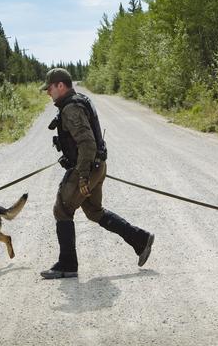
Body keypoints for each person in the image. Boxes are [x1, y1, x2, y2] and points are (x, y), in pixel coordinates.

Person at [39, 68, 154, 279]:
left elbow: (87, 143)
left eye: (50, 88)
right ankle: (140, 239)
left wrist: (82, 175)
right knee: (94, 211)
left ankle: (67, 264)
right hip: (97, 166)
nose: (48, 93)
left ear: (60, 86)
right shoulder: (79, 101)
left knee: (62, 209)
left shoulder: (71, 108)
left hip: (86, 168)